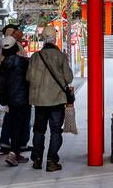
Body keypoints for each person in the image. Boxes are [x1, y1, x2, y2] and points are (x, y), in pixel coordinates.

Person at [25, 25, 75, 172]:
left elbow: (28, 77)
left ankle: (37, 159)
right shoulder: (60, 56)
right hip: (56, 100)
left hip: (40, 100)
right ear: (55, 39)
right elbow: (69, 78)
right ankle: (52, 160)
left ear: (42, 39)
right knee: (55, 130)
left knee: (39, 130)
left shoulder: (35, 57)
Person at [0, 30, 31, 166]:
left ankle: (15, 152)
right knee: (20, 126)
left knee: (13, 125)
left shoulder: (4, 65)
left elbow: (2, 85)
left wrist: (4, 101)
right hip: (23, 99)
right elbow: (29, 79)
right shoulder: (23, 62)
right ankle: (14, 153)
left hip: (11, 100)